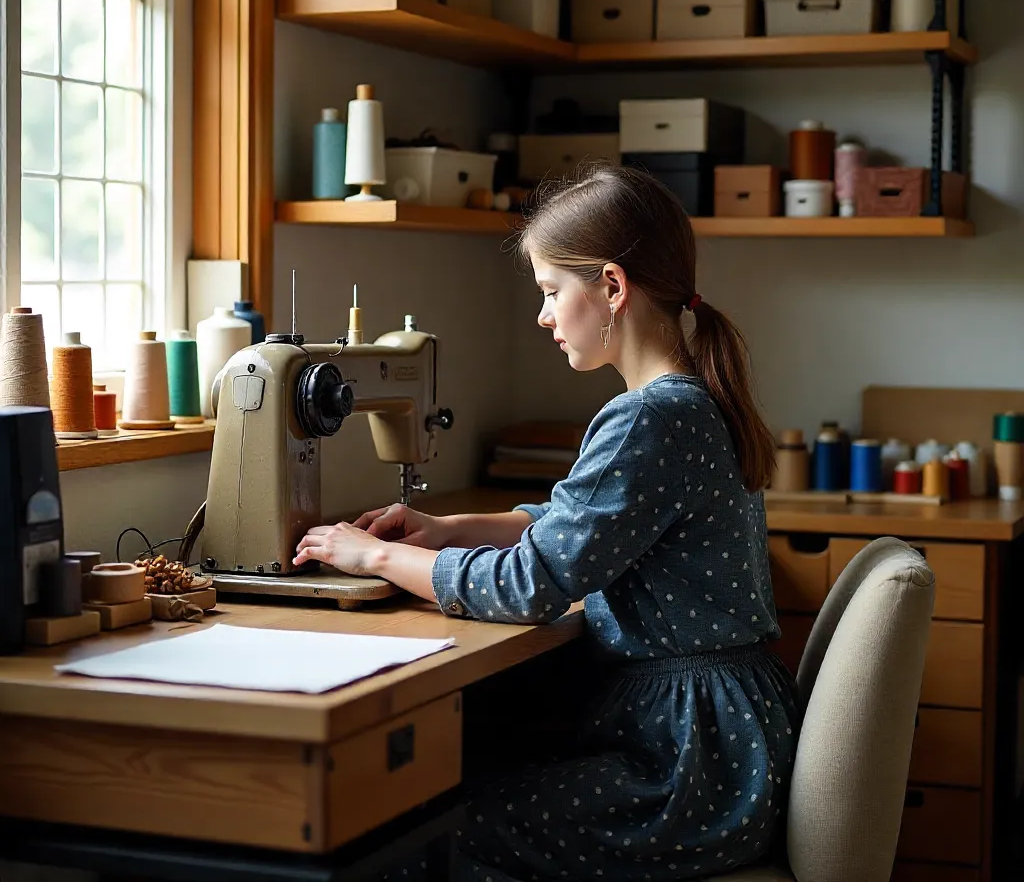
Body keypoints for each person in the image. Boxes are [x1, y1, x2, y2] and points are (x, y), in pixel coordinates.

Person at [295, 163, 800, 880]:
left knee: (423, 828)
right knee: (463, 772)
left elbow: (532, 583)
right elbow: (572, 523)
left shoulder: (649, 417)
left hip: (687, 772)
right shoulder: (690, 399)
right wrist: (449, 528)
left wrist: (374, 558)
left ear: (613, 289)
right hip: (726, 745)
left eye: (551, 292)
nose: (543, 315)